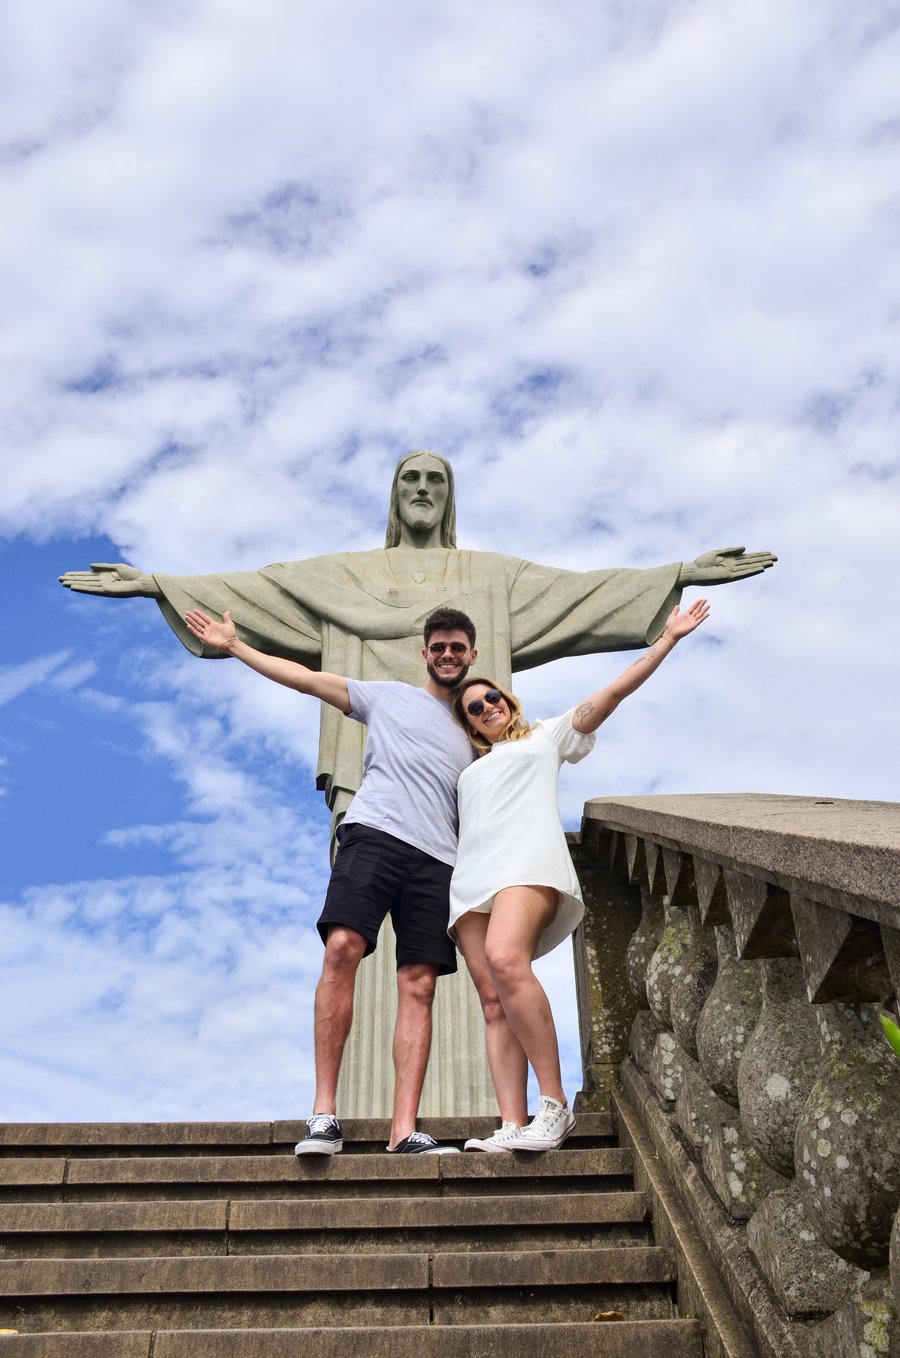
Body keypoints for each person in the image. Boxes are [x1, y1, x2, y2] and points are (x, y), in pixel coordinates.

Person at [183, 601, 478, 1155]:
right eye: (438, 647)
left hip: (438, 859)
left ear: (471, 655)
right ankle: (324, 1116)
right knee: (342, 948)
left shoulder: (475, 732)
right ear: (425, 654)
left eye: (456, 647)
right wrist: (236, 646)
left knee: (420, 984)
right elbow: (306, 679)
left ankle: (403, 1130)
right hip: (375, 834)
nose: (447, 654)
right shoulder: (388, 697)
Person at [449, 597, 710, 1153]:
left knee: (506, 960)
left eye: (493, 697)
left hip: (527, 866)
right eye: (474, 707)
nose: (487, 706)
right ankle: (512, 1123)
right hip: (471, 881)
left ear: (508, 701)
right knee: (493, 1001)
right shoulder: (471, 769)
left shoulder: (545, 736)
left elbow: (612, 693)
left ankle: (555, 1105)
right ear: (469, 725)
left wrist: (667, 640)